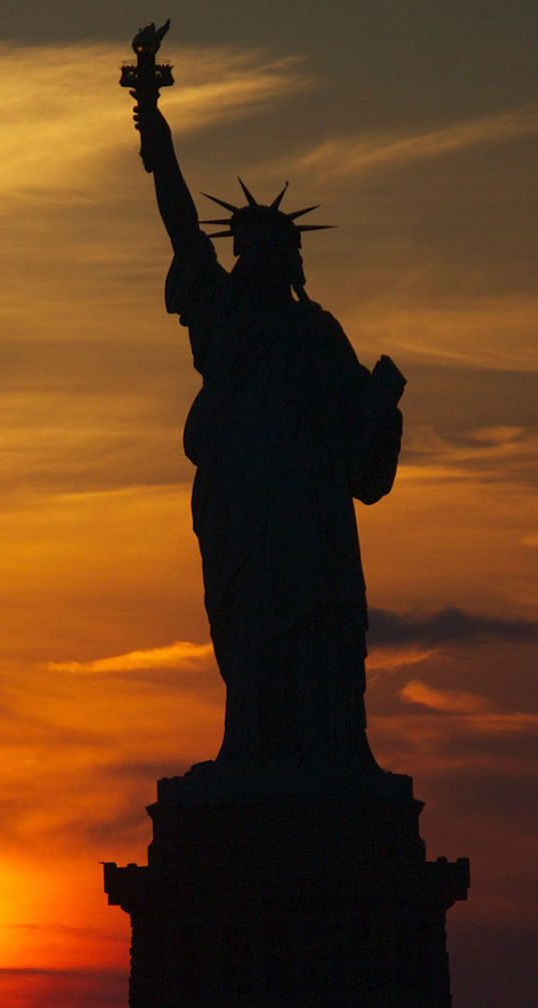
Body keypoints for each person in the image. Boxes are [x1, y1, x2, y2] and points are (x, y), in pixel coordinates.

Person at [132, 92, 407, 784]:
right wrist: (157, 132)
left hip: (309, 514)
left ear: (290, 260)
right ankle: (252, 750)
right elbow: (179, 224)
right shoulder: (220, 313)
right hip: (241, 506)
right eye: (246, 247)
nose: (255, 258)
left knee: (314, 627)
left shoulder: (317, 333)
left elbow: (358, 452)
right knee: (248, 628)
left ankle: (324, 753)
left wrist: (380, 403)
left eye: (269, 249)